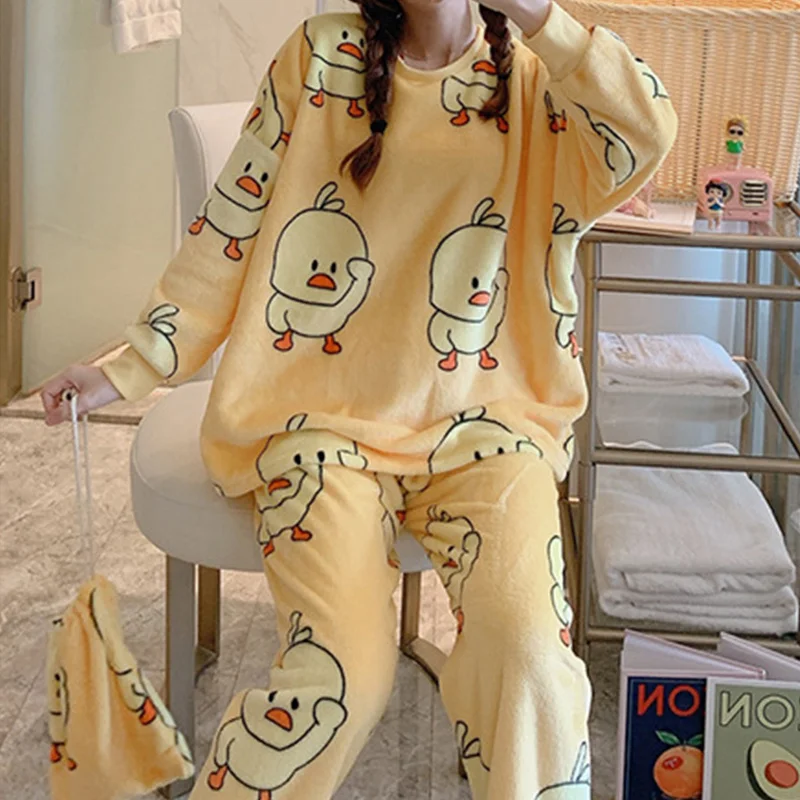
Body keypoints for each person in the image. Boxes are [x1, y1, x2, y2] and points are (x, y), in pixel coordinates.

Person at [41, 0, 677, 796]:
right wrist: (129, 365)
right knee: (336, 680)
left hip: (493, 425)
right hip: (317, 426)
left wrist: (537, 12)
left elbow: (646, 131)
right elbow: (230, 226)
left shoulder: (542, 81)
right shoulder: (320, 57)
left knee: (530, 663)